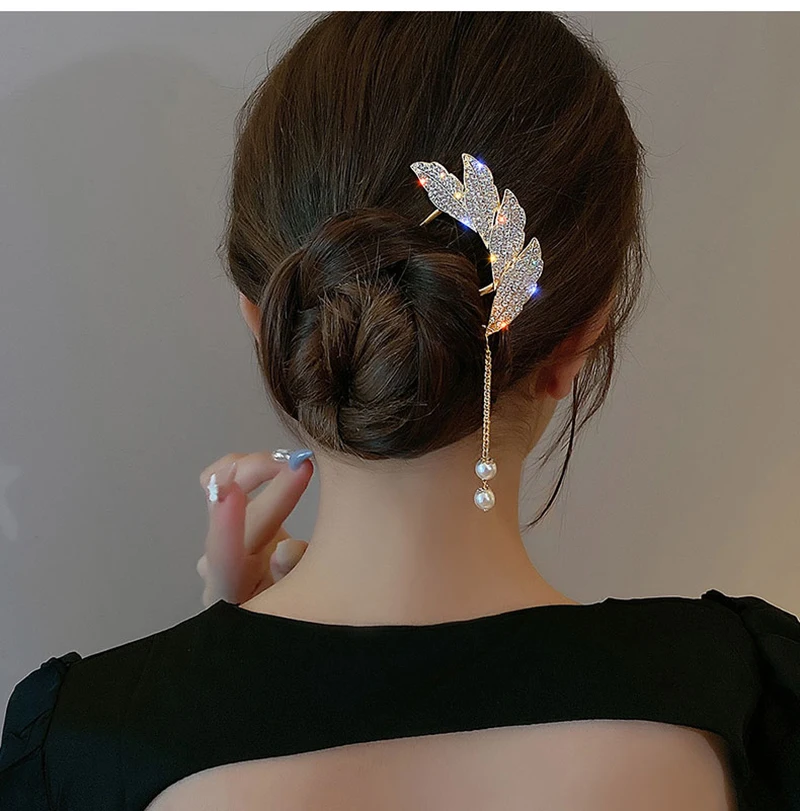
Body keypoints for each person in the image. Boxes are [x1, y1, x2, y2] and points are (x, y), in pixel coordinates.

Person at [1, 11, 798, 811]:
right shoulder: (755, 699)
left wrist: (212, 664)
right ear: (581, 338)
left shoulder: (82, 747)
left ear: (264, 323)